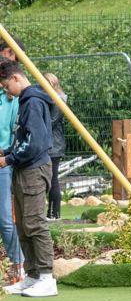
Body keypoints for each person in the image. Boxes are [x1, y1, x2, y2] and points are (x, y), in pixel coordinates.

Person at [0, 58, 57, 297]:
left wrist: (9, 160)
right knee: (23, 225)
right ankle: (31, 275)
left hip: (34, 170)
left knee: (35, 225)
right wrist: (9, 152)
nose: (5, 90)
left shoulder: (32, 102)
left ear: (15, 78)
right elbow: (23, 140)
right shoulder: (25, 101)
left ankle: (46, 277)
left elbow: (36, 143)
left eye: (5, 86)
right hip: (25, 170)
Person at [0, 37, 24, 283]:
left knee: (5, 219)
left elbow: (15, 131)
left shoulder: (11, 97)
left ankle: (18, 265)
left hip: (2, 162)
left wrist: (6, 154)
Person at [44, 72, 66, 220]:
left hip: (54, 145)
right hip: (53, 144)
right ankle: (52, 213)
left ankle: (54, 213)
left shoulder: (58, 100)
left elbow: (51, 122)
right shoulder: (55, 99)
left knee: (53, 180)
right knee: (51, 179)